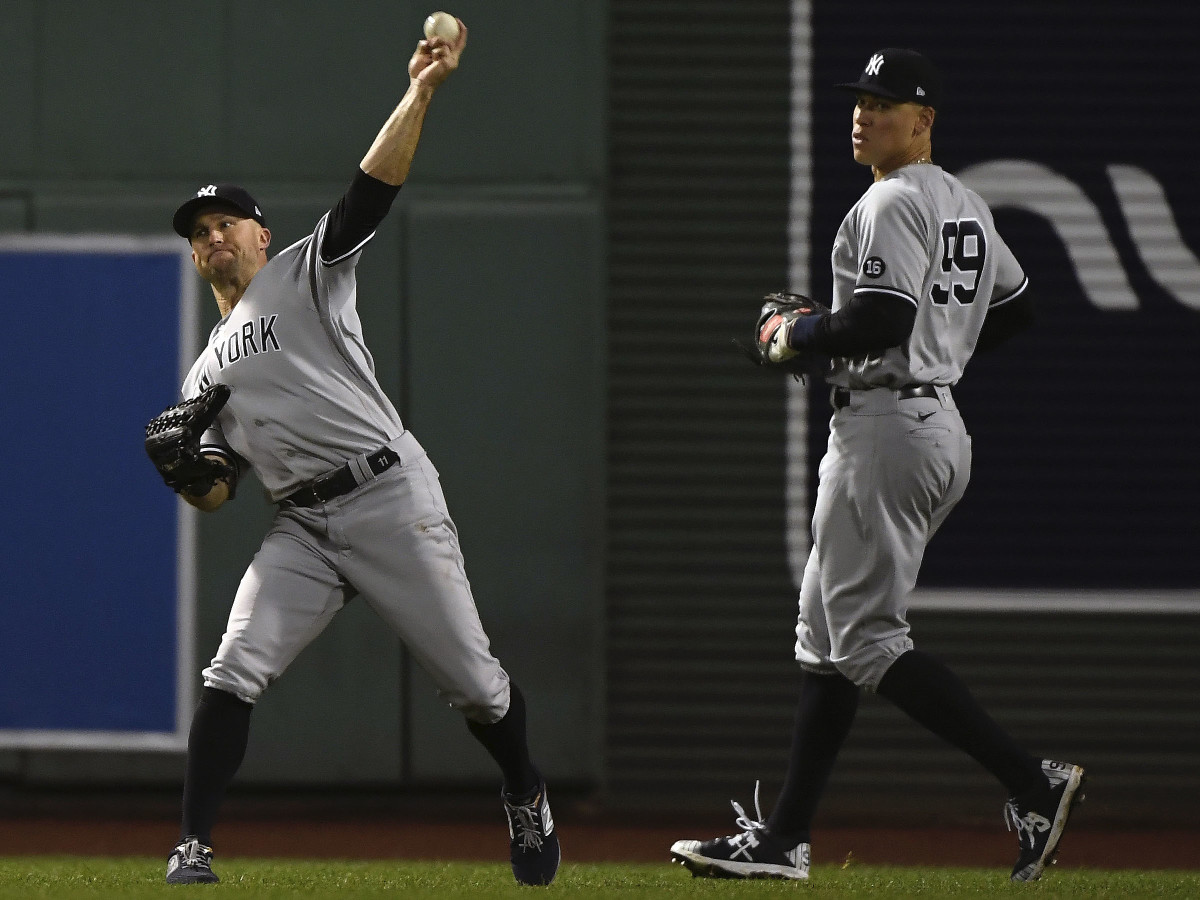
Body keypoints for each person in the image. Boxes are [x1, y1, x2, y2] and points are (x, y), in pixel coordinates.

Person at [158, 19, 559, 887]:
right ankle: (193, 845)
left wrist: (419, 91)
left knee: (478, 689)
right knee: (233, 667)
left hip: (388, 496)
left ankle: (524, 787)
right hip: (299, 524)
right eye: (199, 233)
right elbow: (218, 494)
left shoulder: (303, 270)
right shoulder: (201, 373)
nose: (211, 238)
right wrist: (184, 470)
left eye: (225, 223)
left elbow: (371, 188)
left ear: (261, 237)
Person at [669, 48, 1084, 884]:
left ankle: (1032, 781)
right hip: (922, 422)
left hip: (888, 430)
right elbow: (1014, 307)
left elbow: (882, 317)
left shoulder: (893, 199)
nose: (864, 113)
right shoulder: (960, 199)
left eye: (886, 103)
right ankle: (784, 842)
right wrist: (937, 349)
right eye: (861, 99)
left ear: (924, 120)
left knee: (865, 642)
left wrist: (796, 335)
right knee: (824, 641)